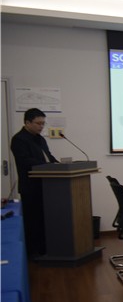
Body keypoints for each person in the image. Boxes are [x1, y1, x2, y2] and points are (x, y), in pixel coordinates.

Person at [10, 108, 58, 255]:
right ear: (27, 122)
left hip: (46, 186)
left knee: (44, 220)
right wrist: (48, 165)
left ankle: (46, 249)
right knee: (33, 222)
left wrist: (58, 164)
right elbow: (25, 161)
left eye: (43, 123)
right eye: (38, 123)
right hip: (31, 187)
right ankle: (34, 252)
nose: (41, 126)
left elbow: (48, 156)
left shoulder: (40, 139)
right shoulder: (19, 139)